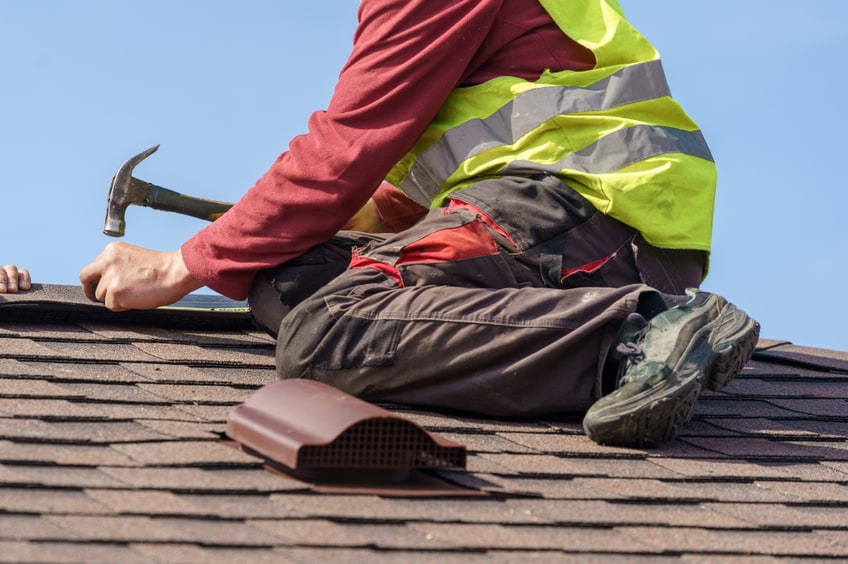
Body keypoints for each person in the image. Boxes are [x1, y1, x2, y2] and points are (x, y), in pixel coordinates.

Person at [79, 0, 759, 447]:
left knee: (326, 329)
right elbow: (396, 189)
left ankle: (639, 337)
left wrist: (184, 264)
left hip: (589, 215)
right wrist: (275, 232)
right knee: (288, 287)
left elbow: (345, 146)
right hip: (557, 213)